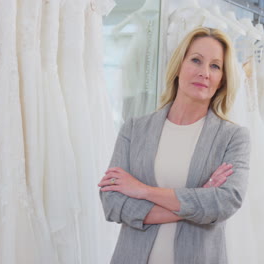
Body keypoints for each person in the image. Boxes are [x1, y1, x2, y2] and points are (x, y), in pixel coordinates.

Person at [98, 27, 250, 264]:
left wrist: (143, 190)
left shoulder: (233, 137)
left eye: (215, 66)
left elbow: (225, 202)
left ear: (222, 80)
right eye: (196, 60)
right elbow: (112, 202)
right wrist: (198, 197)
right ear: (179, 66)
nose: (204, 73)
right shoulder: (134, 129)